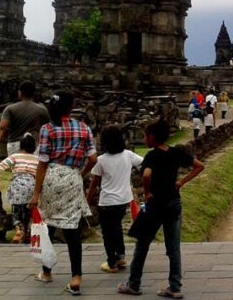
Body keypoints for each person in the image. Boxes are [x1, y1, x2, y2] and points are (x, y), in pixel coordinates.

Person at [118, 119, 205, 297]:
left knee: (142, 244)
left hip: (155, 204)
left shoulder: (151, 155)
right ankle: (175, 287)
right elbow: (199, 166)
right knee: (173, 247)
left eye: (145, 135)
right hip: (173, 202)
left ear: (152, 137)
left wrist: (147, 192)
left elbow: (147, 174)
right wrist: (181, 182)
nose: (144, 138)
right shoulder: (176, 152)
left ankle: (134, 284)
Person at [28, 91, 97, 295]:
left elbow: (42, 162)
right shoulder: (84, 128)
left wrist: (36, 193)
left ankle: (46, 272)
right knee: (72, 229)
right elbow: (93, 160)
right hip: (72, 177)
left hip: (51, 176)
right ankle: (76, 277)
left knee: (48, 224)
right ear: (72, 106)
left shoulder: (47, 129)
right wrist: (80, 174)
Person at [86, 125, 143, 273]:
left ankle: (112, 261)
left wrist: (88, 198)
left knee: (108, 232)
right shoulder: (128, 155)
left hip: (107, 201)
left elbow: (94, 182)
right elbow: (143, 161)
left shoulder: (101, 160)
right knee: (116, 227)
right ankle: (121, 256)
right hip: (123, 200)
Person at [0, 132, 38, 243]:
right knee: (29, 211)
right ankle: (28, 231)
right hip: (32, 187)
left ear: (21, 146)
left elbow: (1, 166)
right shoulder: (37, 159)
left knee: (16, 210)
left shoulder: (15, 156)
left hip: (18, 186)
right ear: (34, 147)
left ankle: (18, 227)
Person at [0, 80, 49, 160]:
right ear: (34, 93)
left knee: (17, 171)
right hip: (34, 146)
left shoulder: (10, 109)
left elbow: (1, 128)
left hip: (15, 145)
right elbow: (47, 130)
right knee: (32, 170)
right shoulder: (42, 110)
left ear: (20, 93)